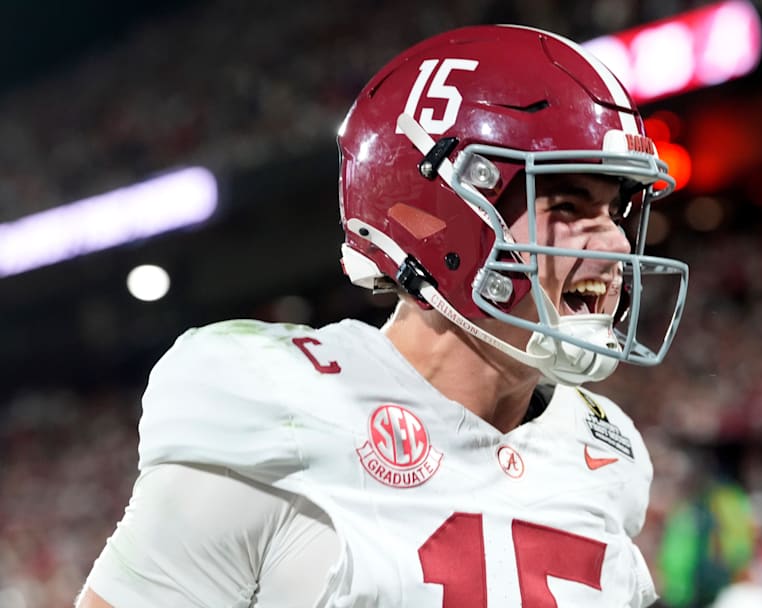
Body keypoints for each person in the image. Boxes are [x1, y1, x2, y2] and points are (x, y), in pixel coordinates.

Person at [77, 24, 689, 607]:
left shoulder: (603, 452)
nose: (611, 244)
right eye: (565, 203)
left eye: (613, 211)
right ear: (445, 217)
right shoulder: (283, 410)